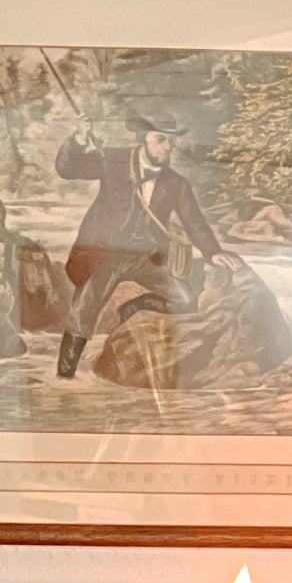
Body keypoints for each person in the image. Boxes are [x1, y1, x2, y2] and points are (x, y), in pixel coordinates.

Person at [52, 110, 239, 380]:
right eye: (160, 139)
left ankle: (131, 308)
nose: (166, 147)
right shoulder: (113, 160)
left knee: (185, 299)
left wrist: (214, 252)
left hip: (147, 259)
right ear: (143, 139)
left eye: (170, 142)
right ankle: (64, 377)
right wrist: (80, 139)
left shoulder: (175, 182)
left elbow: (194, 222)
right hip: (104, 254)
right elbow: (67, 169)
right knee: (83, 313)